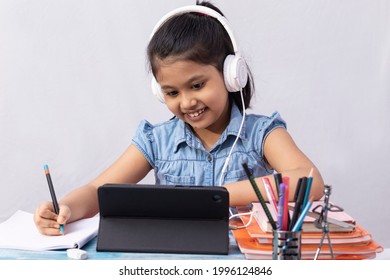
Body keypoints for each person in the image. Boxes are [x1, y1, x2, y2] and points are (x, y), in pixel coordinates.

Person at [34, 1, 324, 236]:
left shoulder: (262, 133)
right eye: (172, 92)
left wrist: (219, 195)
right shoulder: (156, 140)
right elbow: (98, 191)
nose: (187, 102)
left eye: (197, 85)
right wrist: (66, 207)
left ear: (231, 75)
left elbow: (310, 182)